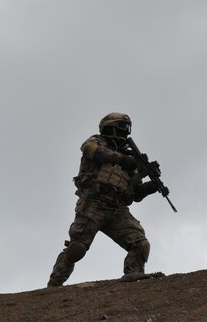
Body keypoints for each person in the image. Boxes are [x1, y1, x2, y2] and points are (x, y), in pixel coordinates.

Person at [47, 112, 159, 287]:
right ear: (110, 127)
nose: (124, 132)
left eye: (126, 128)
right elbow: (89, 149)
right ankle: (54, 285)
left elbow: (135, 194)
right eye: (121, 127)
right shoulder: (97, 142)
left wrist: (151, 187)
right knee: (77, 248)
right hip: (94, 203)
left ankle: (135, 274)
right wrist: (123, 159)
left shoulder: (130, 160)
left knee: (140, 243)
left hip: (118, 209)